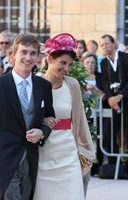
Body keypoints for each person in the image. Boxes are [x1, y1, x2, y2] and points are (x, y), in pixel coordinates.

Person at [0, 33, 55, 200]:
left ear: (38, 57)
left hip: (31, 159)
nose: (28, 57)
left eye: (33, 53)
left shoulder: (44, 86)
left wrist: (42, 131)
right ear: (13, 55)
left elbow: (49, 118)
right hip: (4, 160)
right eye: (23, 52)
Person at [33, 33, 95, 200]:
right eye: (63, 63)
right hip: (43, 153)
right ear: (50, 59)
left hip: (68, 152)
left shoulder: (72, 84)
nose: (66, 68)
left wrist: (87, 149)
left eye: (69, 64)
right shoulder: (35, 84)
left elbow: (80, 119)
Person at [99, 34, 128, 164]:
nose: (105, 46)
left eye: (107, 43)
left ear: (114, 43)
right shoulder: (103, 62)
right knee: (108, 134)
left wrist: (120, 96)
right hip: (113, 104)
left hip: (126, 100)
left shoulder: (125, 58)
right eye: (102, 45)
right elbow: (105, 82)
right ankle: (114, 165)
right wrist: (111, 99)